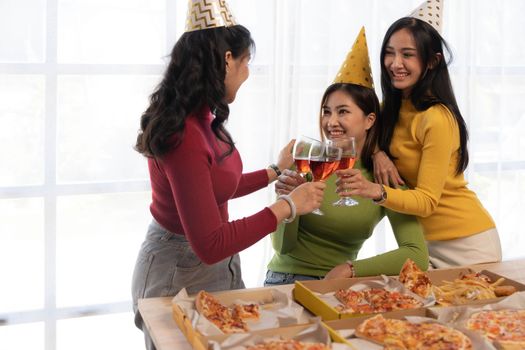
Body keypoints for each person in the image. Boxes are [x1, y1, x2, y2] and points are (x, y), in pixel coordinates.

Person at [131, 1, 325, 349]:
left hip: (217, 266)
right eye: (246, 62)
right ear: (226, 60)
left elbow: (212, 190)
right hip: (179, 270)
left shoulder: (201, 118)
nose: (247, 72)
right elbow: (210, 244)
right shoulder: (184, 135)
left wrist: (274, 171)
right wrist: (287, 208)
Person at [338, 4, 502, 268]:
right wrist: (379, 153)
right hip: (423, 244)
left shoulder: (436, 118)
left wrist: (375, 191)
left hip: (468, 245)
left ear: (432, 61)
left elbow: (426, 201)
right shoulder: (390, 108)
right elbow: (365, 134)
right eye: (389, 53)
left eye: (407, 54)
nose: (395, 63)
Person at [265, 27, 428, 286]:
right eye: (326, 112)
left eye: (343, 112)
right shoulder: (307, 158)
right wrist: (289, 203)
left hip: (340, 286)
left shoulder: (383, 177)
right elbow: (283, 248)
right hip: (285, 279)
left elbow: (417, 254)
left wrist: (351, 269)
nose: (331, 122)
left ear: (369, 120)